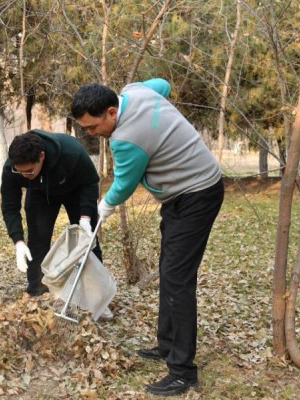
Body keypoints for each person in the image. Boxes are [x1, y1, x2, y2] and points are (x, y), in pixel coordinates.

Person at [71, 79, 224, 397]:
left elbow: (124, 185)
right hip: (182, 193)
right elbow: (166, 85)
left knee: (178, 281)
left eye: (93, 126)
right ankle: (167, 346)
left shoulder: (126, 139)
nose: (90, 133)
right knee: (170, 272)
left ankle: (183, 372)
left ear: (112, 112)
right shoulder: (136, 90)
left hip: (196, 195)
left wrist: (103, 208)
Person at [0, 130, 102, 297]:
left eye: (30, 171)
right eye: (21, 172)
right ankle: (37, 291)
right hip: (40, 193)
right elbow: (9, 206)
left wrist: (85, 218)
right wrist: (17, 241)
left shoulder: (72, 152)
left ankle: (95, 293)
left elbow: (90, 182)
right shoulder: (11, 168)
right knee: (37, 240)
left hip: (75, 190)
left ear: (42, 156)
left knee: (87, 241)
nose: (25, 175)